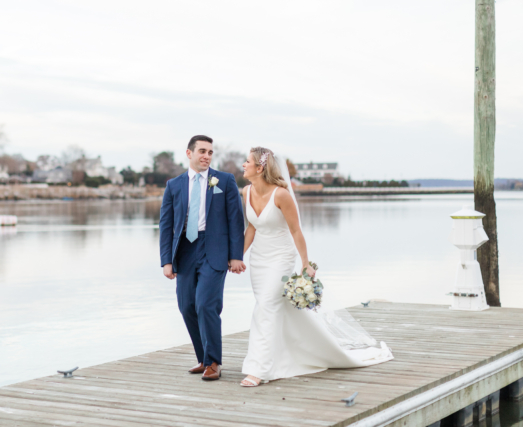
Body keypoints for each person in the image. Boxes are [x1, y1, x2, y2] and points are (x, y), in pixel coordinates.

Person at [239, 147, 394, 387]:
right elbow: (251, 228)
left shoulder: (281, 195)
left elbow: (296, 231)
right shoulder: (246, 191)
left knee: (266, 308)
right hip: (258, 259)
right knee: (266, 306)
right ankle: (295, 352)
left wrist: (304, 264)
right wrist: (238, 256)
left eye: (246, 161)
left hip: (281, 257)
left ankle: (259, 369)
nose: (243, 165)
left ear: (260, 168)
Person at [158, 135, 245, 381]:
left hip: (214, 249)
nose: (207, 156)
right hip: (184, 250)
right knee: (186, 306)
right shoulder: (173, 185)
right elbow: (166, 225)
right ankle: (203, 358)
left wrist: (235, 256)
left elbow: (235, 220)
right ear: (189, 153)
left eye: (210, 152)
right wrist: (166, 260)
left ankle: (214, 362)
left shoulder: (225, 181)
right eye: (202, 151)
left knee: (206, 304)